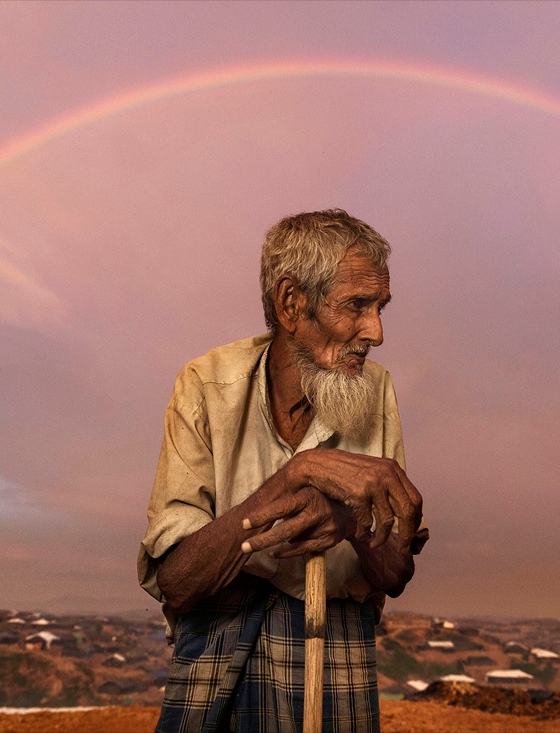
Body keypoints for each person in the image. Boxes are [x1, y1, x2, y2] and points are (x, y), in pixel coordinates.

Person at [138, 209, 427, 732]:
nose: (377, 332)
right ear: (292, 303)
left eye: (380, 307)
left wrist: (348, 522)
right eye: (357, 306)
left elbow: (395, 573)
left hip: (335, 640)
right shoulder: (205, 385)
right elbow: (177, 583)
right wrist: (299, 473)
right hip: (217, 641)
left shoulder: (377, 389)